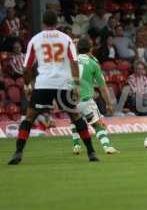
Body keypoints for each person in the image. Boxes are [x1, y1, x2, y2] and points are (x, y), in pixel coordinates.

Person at [8, 10, 99, 165]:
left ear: (43, 23)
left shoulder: (35, 40)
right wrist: (76, 85)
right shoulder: (66, 39)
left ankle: (18, 152)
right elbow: (73, 62)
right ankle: (91, 152)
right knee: (76, 117)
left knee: (29, 117)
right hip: (64, 84)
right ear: (57, 23)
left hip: (43, 84)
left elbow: (27, 67)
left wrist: (28, 84)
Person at [71, 36, 119, 155]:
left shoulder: (71, 61)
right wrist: (108, 103)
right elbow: (102, 87)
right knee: (97, 125)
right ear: (91, 49)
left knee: (76, 121)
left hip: (70, 100)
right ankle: (107, 146)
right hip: (86, 99)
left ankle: (76, 145)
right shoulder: (93, 63)